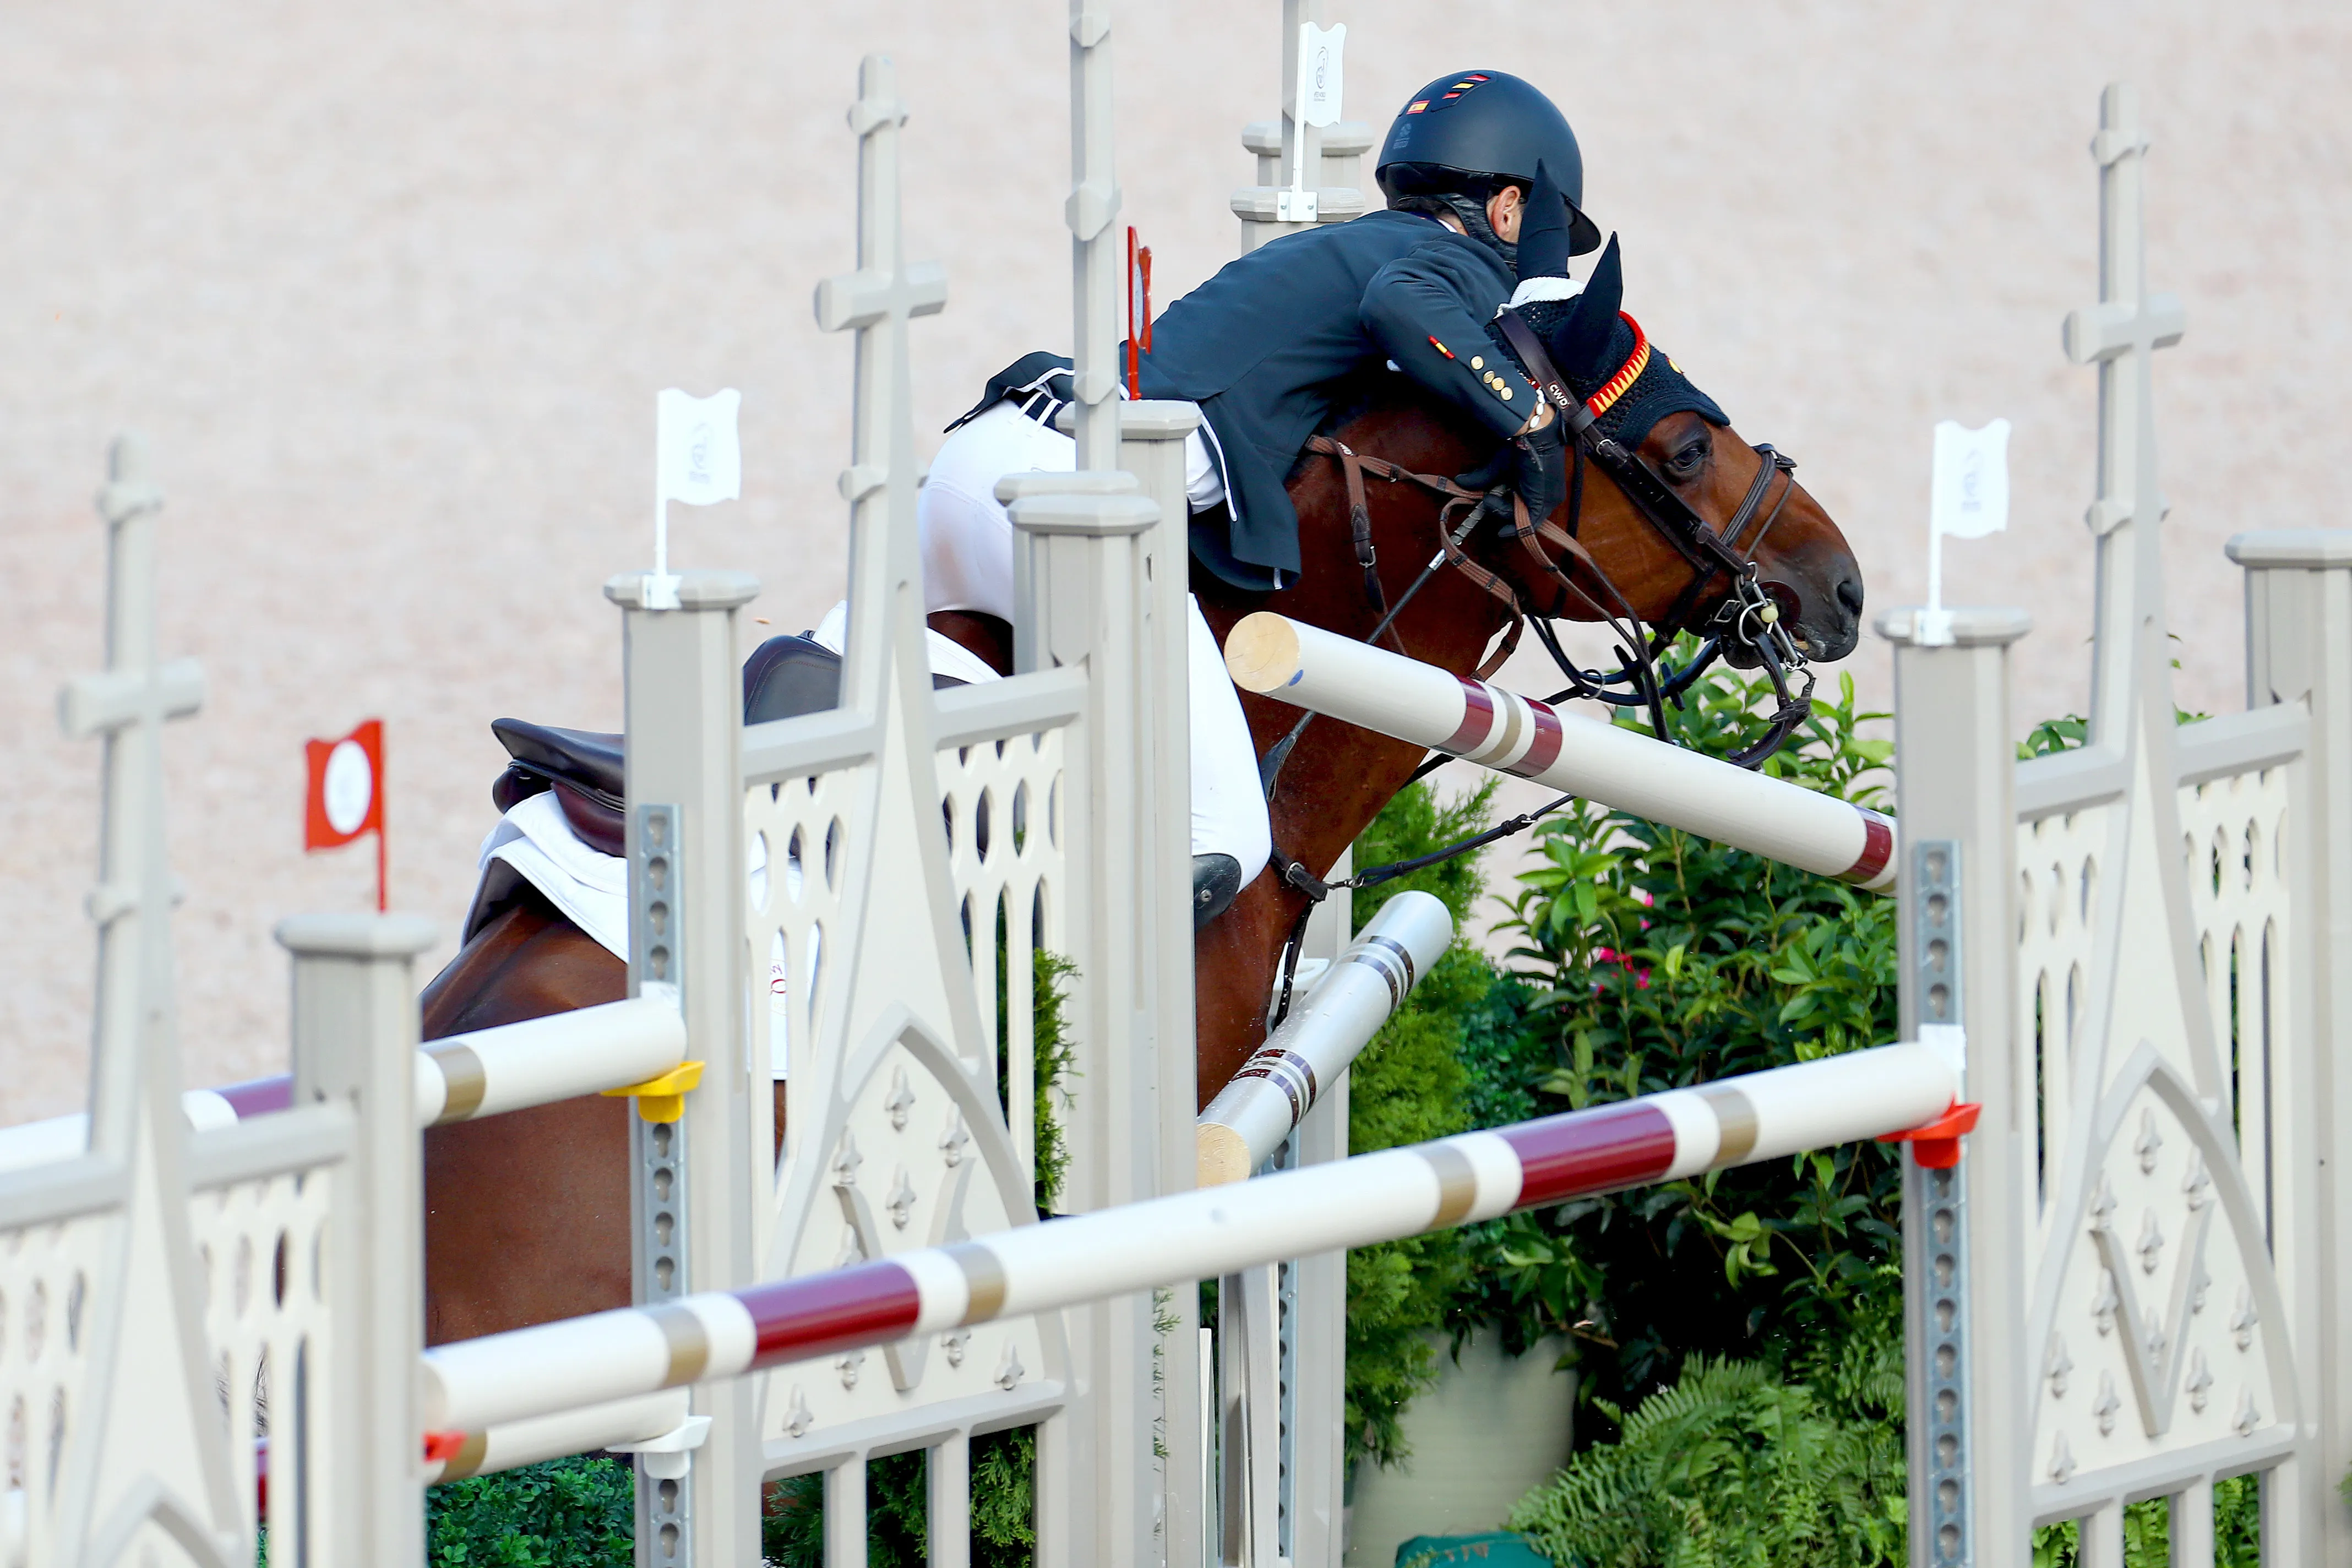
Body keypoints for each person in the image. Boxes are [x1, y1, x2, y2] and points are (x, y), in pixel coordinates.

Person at [918, 69, 1601, 927]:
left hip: (973, 463)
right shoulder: (1441, 261)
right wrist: (1534, 421)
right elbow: (1404, 310)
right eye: (1541, 239)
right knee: (1230, 839)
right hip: (1070, 503)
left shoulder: (1348, 246)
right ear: (1507, 211)